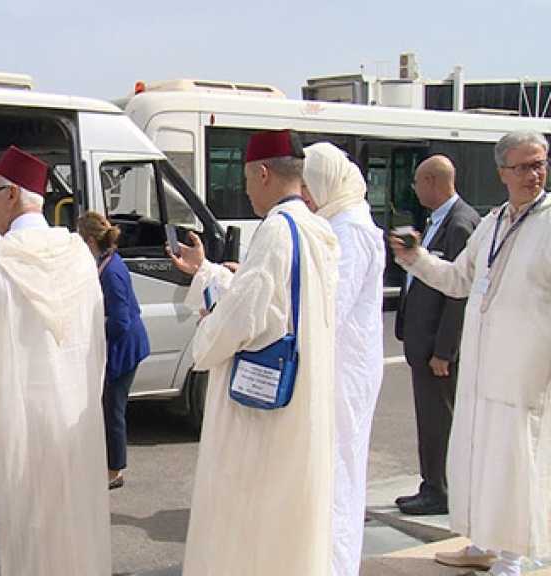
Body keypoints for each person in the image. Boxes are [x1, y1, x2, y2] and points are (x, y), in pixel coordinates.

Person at [169, 130, 339, 576]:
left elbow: (242, 319)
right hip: (304, 398)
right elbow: (276, 304)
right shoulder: (318, 228)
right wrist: (209, 272)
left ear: (263, 173)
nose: (245, 191)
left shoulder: (277, 230)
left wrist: (206, 333)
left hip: (263, 413)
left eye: (245, 180)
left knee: (249, 515)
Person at [390, 131, 551, 576]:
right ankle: (483, 542)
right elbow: (458, 279)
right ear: (502, 172)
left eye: (539, 164)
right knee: (478, 455)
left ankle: (513, 557)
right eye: (523, 166)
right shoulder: (492, 222)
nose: (533, 174)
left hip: (525, 370)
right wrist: (415, 257)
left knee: (515, 461)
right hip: (482, 367)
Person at [0, 146, 111, 575]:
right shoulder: (79, 255)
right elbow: (97, 346)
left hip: (16, 428)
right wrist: (86, 404)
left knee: (23, 540)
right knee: (71, 533)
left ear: (12, 195)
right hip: (73, 421)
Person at [301, 142, 385, 576]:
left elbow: (332, 302)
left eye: (309, 185)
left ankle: (335, 566)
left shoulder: (349, 228)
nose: (305, 195)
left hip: (344, 369)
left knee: (337, 472)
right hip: (344, 364)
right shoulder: (341, 220)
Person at [393, 155, 480, 516]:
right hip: (423, 342)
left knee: (438, 421)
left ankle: (439, 489)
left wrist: (445, 350)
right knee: (431, 419)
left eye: (417, 183)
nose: (414, 190)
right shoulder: (437, 219)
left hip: (436, 348)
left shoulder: (460, 224)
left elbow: (459, 296)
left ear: (431, 181)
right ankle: (433, 483)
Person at [77, 211, 150, 490]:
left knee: (113, 411)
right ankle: (108, 463)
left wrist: (93, 330)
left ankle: (115, 470)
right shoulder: (108, 263)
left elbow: (119, 321)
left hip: (125, 348)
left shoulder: (112, 272)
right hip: (123, 345)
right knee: (108, 407)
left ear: (90, 241)